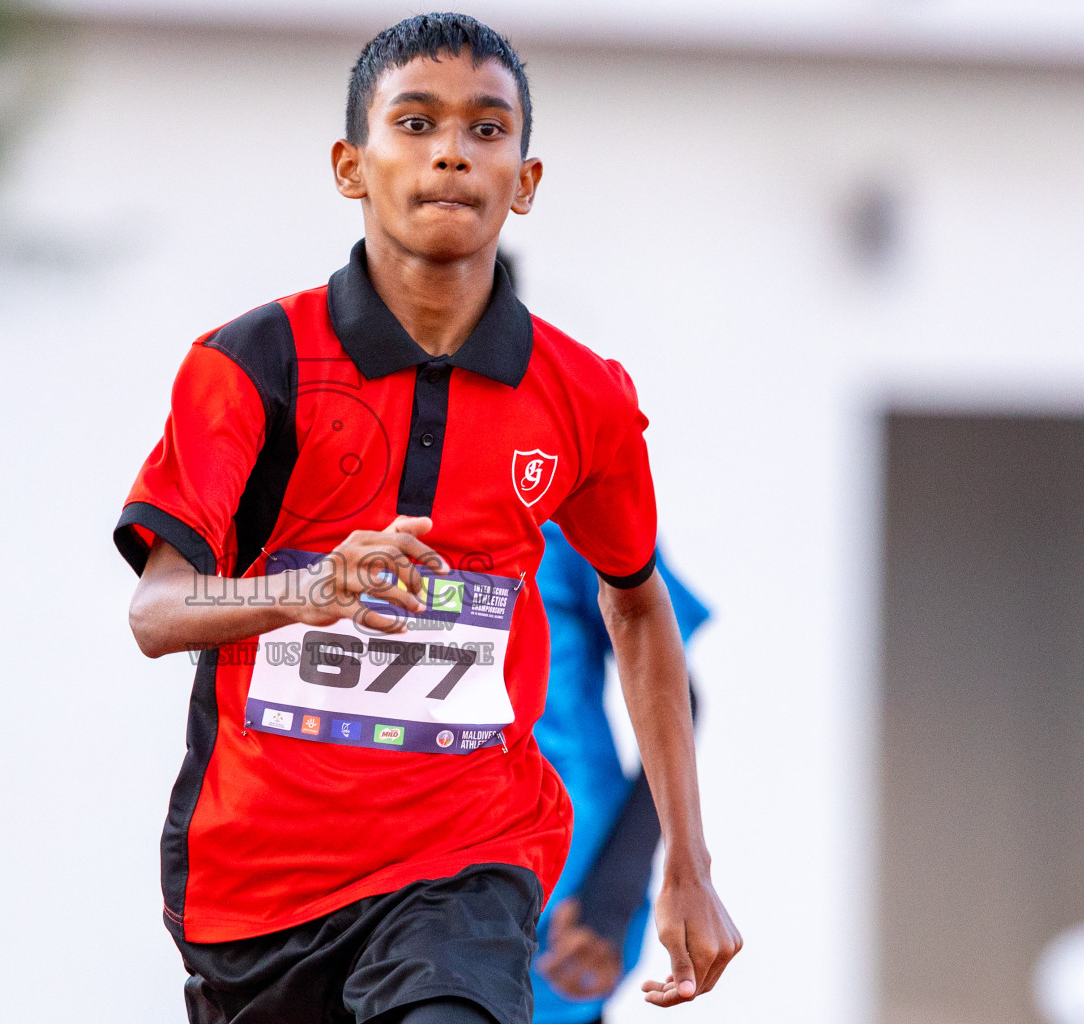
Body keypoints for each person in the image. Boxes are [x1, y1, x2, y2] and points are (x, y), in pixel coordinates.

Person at [115, 14, 741, 1024]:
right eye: (416, 122)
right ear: (351, 165)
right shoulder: (248, 365)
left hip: (470, 864)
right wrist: (311, 588)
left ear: (524, 181)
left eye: (487, 130)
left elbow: (639, 610)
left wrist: (685, 865)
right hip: (258, 888)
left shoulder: (586, 399)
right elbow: (156, 611)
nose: (453, 149)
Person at [531, 525, 711, 1024]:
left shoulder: (565, 506)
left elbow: (670, 690)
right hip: (363, 893)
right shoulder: (323, 491)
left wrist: (611, 897)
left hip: (557, 916)